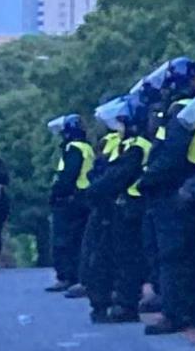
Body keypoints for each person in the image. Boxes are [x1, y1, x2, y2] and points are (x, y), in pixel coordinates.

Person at [139, 63, 195, 334]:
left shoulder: (182, 111)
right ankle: (192, 310)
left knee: (172, 255)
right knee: (187, 254)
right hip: (184, 187)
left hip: (173, 190)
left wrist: (148, 179)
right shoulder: (191, 108)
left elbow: (170, 153)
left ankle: (175, 312)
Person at [87, 99, 150, 320]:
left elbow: (118, 176)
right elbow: (103, 170)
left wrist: (94, 190)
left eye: (120, 122)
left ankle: (126, 303)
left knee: (127, 258)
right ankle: (112, 299)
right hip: (114, 207)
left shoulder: (137, 146)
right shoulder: (122, 143)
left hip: (131, 207)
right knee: (107, 255)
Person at [45, 114, 96, 293]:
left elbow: (68, 175)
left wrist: (56, 194)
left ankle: (66, 276)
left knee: (63, 239)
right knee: (78, 239)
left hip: (70, 200)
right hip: (84, 197)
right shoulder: (86, 147)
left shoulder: (73, 149)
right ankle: (76, 275)